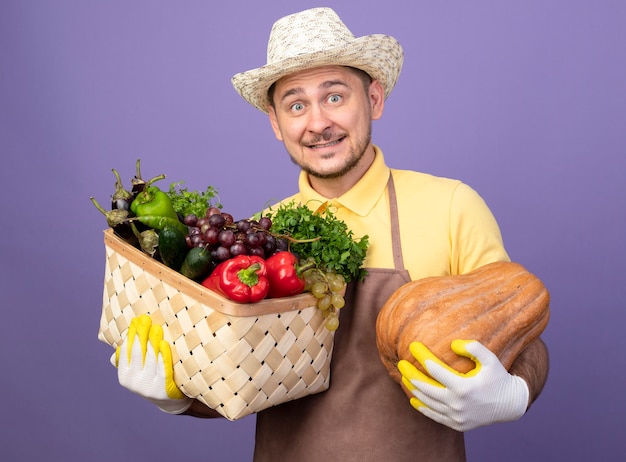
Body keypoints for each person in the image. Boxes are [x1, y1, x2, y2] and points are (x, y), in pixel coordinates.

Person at [111, 7, 549, 461]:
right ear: (277, 124)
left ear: (374, 99)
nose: (318, 123)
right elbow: (232, 376)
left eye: (335, 96)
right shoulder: (258, 239)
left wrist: (512, 393)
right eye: (296, 105)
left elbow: (523, 334)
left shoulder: (452, 206)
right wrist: (173, 397)